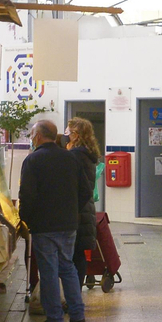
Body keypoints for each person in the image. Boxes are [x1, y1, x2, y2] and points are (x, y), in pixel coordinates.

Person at [18, 119, 85, 322]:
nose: (31, 137)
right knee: (68, 268)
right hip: (68, 224)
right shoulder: (70, 158)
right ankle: (77, 315)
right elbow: (85, 191)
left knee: (48, 272)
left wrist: (25, 217)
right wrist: (72, 211)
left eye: (31, 133)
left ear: (38, 136)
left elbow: (27, 195)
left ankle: (55, 319)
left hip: (44, 227)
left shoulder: (33, 161)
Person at [66, 117, 102, 288]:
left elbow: (80, 188)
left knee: (74, 255)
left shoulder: (76, 155)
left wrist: (72, 211)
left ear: (76, 134)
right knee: (79, 254)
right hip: (86, 210)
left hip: (78, 212)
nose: (66, 136)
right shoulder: (87, 153)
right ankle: (76, 293)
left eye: (69, 132)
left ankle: (73, 294)